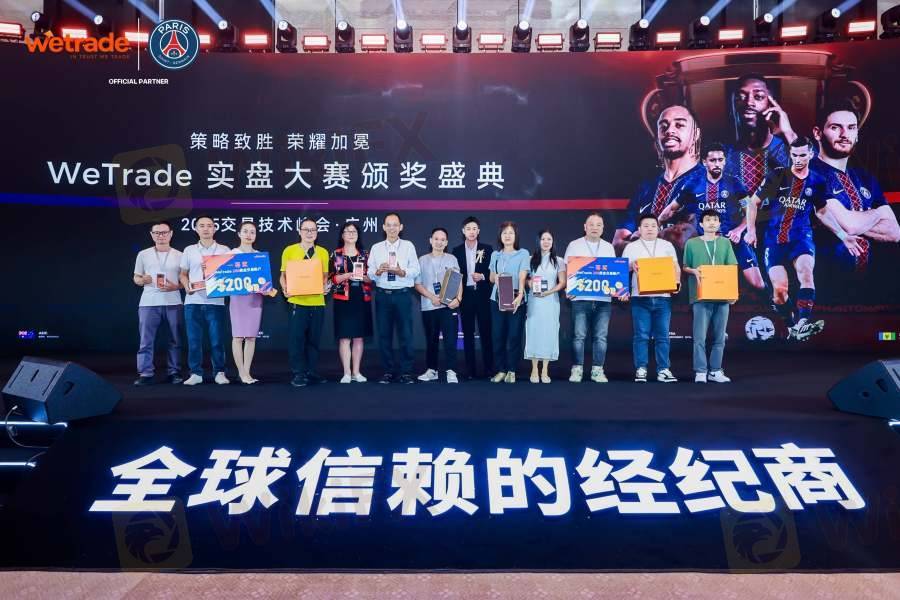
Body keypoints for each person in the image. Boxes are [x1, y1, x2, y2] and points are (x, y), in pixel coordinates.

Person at [745, 136, 858, 342]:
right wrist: (751, 230)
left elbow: (822, 212)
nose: (798, 160)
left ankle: (803, 322)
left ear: (811, 154)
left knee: (806, 274)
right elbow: (753, 203)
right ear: (790, 154)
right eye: (794, 155)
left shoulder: (817, 181)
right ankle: (791, 326)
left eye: (802, 155)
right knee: (780, 291)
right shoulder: (777, 176)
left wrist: (843, 235)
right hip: (774, 240)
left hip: (801, 238)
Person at [657, 142, 765, 291]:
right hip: (706, 242)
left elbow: (750, 209)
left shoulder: (734, 182)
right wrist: (657, 223)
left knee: (758, 284)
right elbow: (671, 209)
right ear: (704, 162)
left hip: (733, 238)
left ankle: (775, 303)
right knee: (710, 288)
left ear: (725, 161)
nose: (717, 164)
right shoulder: (694, 183)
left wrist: (740, 230)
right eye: (713, 160)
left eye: (720, 160)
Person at [810, 101, 900, 271]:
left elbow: (895, 232)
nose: (845, 134)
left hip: (869, 278)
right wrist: (878, 213)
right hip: (827, 277)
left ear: (857, 134)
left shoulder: (865, 178)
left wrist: (853, 221)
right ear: (818, 133)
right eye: (835, 127)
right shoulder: (809, 173)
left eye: (851, 128)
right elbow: (850, 225)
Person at [613, 104, 705, 254]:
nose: (669, 131)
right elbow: (617, 244)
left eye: (679, 125)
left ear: (695, 134)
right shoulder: (646, 187)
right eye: (663, 126)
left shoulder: (707, 182)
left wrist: (638, 238)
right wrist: (664, 235)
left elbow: (684, 239)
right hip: (642, 268)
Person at [622, 214, 681, 383]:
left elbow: (675, 267)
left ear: (658, 228)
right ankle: (641, 368)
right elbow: (621, 269)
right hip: (639, 297)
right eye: (646, 226)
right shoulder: (631, 247)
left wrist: (677, 283)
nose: (650, 229)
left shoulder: (667, 245)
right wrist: (631, 265)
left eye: (653, 226)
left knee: (663, 335)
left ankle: (664, 369)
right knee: (641, 335)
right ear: (639, 229)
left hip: (663, 297)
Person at [682, 210, 738, 383]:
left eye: (715, 220)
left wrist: (733, 292)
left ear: (719, 224)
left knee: (720, 337)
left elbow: (732, 268)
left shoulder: (725, 243)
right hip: (700, 295)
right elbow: (685, 266)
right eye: (708, 220)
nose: (712, 223)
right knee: (700, 336)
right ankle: (700, 371)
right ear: (701, 224)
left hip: (722, 296)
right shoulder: (691, 243)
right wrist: (694, 271)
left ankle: (715, 371)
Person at [563, 213, 618, 384]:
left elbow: (614, 272)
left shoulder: (608, 247)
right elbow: (566, 269)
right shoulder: (574, 245)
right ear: (585, 227)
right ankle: (577, 369)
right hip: (580, 298)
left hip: (603, 300)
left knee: (601, 337)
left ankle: (597, 370)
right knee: (579, 336)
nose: (595, 227)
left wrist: (619, 290)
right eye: (591, 224)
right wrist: (567, 287)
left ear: (603, 228)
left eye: (598, 224)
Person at [367, 213, 421, 384]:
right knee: (384, 335)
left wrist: (401, 271)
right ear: (383, 227)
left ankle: (406, 372)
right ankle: (388, 372)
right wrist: (377, 271)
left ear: (401, 227)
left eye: (395, 225)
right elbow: (369, 272)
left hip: (402, 295)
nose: (392, 228)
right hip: (382, 295)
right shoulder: (376, 248)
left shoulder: (408, 246)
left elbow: (416, 269)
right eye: (388, 225)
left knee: (406, 335)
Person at [724, 74, 796, 198]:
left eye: (758, 97)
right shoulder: (725, 154)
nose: (749, 102)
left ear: (771, 104)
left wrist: (788, 132)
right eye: (741, 97)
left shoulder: (788, 147)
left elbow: (819, 180)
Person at [179, 216, 231, 386]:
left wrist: (214, 268)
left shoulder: (224, 250)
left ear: (215, 228)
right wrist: (186, 286)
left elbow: (230, 273)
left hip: (216, 302)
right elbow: (183, 274)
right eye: (202, 226)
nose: (206, 229)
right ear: (196, 229)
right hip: (192, 301)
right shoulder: (189, 250)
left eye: (209, 225)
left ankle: (219, 372)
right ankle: (195, 373)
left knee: (217, 341)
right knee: (194, 341)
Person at [280, 218, 330, 387]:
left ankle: (311, 371)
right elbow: (283, 275)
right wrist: (285, 288)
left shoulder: (322, 252)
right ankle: (298, 373)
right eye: (306, 229)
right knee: (296, 340)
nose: (310, 233)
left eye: (313, 230)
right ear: (299, 231)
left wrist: (326, 286)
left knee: (314, 340)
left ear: (317, 232)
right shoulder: (289, 250)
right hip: (297, 301)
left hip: (317, 302)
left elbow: (325, 277)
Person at [133, 221, 183, 386]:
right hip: (148, 302)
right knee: (145, 340)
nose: (161, 236)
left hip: (173, 301)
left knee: (175, 339)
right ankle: (145, 373)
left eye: (164, 232)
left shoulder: (180, 255)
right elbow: (136, 277)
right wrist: (142, 280)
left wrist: (176, 286)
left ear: (171, 234)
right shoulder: (143, 254)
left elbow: (186, 280)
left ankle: (174, 372)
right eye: (157, 233)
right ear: (151, 235)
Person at [415, 228, 462, 383]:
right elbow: (417, 284)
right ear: (431, 240)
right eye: (436, 239)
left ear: (446, 242)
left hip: (448, 306)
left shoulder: (452, 259)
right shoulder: (422, 260)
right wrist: (432, 297)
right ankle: (432, 370)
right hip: (429, 306)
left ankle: (451, 371)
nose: (439, 242)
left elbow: (458, 280)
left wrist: (459, 299)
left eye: (442, 240)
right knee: (431, 340)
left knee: (450, 340)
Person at [330, 221, 373, 384]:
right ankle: (346, 373)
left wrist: (362, 277)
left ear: (358, 235)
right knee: (344, 338)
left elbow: (372, 279)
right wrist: (348, 275)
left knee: (359, 338)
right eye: (347, 231)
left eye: (354, 231)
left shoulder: (365, 255)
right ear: (342, 235)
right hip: (343, 300)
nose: (351, 234)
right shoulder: (336, 254)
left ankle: (356, 372)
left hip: (361, 299)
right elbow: (332, 279)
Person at [452, 217, 494, 380]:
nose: (471, 231)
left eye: (474, 228)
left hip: (483, 295)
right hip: (466, 295)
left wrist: (482, 276)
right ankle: (470, 370)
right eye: (468, 228)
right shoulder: (456, 251)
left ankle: (490, 369)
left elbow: (492, 272)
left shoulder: (487, 249)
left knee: (486, 332)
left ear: (479, 231)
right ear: (463, 231)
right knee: (468, 333)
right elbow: (454, 275)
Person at [229, 222, 271, 385]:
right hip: (238, 299)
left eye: (252, 232)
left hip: (255, 299)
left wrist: (267, 289)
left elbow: (264, 281)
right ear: (239, 234)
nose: (248, 235)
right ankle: (241, 372)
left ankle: (247, 372)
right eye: (245, 231)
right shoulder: (231, 254)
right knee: (238, 337)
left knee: (251, 337)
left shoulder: (259, 256)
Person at [488, 222, 530, 383]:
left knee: (514, 336)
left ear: (516, 236)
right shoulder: (495, 255)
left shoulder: (523, 253)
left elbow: (522, 275)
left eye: (511, 233)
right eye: (504, 233)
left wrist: (520, 294)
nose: (507, 236)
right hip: (497, 299)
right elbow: (491, 277)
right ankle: (501, 370)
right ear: (500, 236)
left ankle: (512, 370)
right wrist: (496, 277)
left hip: (516, 299)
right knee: (497, 336)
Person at [524, 230, 565, 383]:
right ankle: (534, 368)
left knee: (549, 332)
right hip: (534, 301)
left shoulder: (559, 261)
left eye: (549, 239)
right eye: (543, 239)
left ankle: (545, 369)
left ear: (553, 242)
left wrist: (548, 292)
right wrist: (529, 283)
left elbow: (562, 282)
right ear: (538, 241)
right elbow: (525, 279)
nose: (546, 242)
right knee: (533, 331)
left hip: (551, 301)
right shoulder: (530, 259)